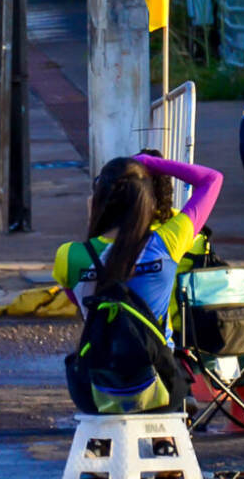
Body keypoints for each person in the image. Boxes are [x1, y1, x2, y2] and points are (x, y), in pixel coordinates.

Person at [53, 153, 223, 390]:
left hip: (95, 387)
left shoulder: (69, 255)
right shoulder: (167, 243)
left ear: (99, 200)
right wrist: (149, 162)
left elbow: (80, 304)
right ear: (144, 202)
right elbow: (211, 179)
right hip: (159, 384)